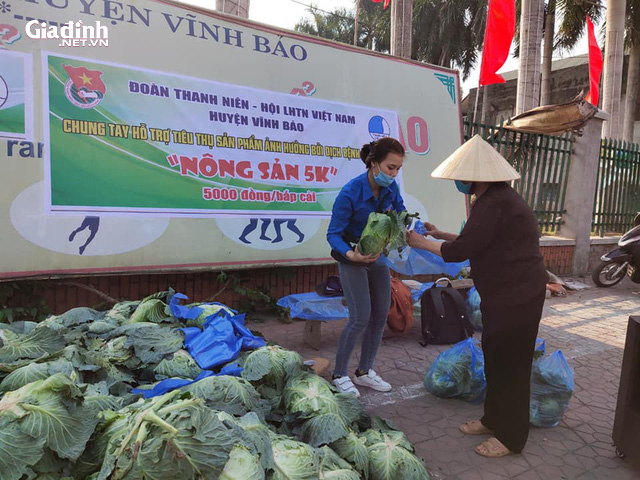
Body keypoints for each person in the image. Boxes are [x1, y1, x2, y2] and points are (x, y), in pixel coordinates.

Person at [406, 134, 549, 458]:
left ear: (477, 177)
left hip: (518, 297)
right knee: (496, 360)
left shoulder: (495, 202)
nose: (459, 181)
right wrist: (440, 234)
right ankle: (493, 418)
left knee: (511, 366)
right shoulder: (495, 199)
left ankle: (512, 438)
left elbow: (460, 252)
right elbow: (478, 240)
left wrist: (421, 242)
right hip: (506, 296)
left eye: (461, 176)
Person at [327, 137, 406, 397]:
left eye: (397, 169)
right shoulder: (350, 192)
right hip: (353, 258)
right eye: (390, 167)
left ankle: (364, 371)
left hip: (378, 258)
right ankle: (339, 374)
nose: (393, 174)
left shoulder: (391, 189)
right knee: (360, 318)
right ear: (373, 164)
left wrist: (406, 227)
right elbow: (333, 234)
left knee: (380, 316)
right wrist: (352, 254)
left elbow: (401, 213)